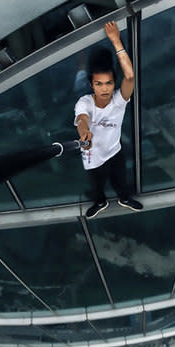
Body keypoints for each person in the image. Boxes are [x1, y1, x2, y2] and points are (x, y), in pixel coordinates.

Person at [74, 21, 143, 219]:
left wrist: (116, 42)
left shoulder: (118, 102)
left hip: (114, 151)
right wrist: (84, 133)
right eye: (99, 84)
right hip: (92, 156)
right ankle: (100, 202)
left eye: (109, 83)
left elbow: (129, 77)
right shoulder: (84, 102)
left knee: (120, 180)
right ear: (92, 84)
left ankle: (124, 198)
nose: (105, 88)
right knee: (96, 185)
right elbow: (81, 119)